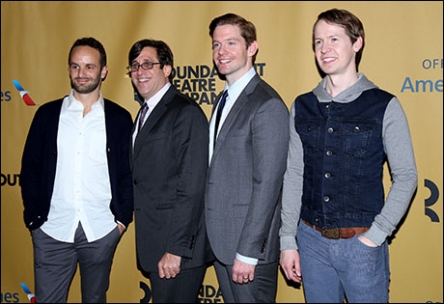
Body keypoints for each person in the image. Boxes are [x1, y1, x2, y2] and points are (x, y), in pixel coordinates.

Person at [279, 8, 418, 303]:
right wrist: (288, 239)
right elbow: (294, 175)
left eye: (333, 39)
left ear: (357, 43)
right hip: (311, 242)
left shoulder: (383, 105)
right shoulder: (302, 106)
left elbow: (406, 176)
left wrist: (376, 236)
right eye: (318, 42)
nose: (324, 49)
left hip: (362, 245)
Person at [19, 37, 134, 303]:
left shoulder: (119, 119)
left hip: (101, 230)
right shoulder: (47, 115)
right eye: (75, 66)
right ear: (69, 70)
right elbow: (30, 169)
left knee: (94, 299)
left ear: (103, 71)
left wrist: (121, 221)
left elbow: (128, 174)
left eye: (89, 67)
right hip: (52, 230)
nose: (82, 74)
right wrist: (35, 220)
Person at [205, 13, 290, 303]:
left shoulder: (266, 104)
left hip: (247, 250)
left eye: (231, 43)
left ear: (251, 48)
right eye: (216, 45)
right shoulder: (224, 99)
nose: (221, 52)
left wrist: (248, 251)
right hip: (222, 242)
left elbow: (268, 186)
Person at [128, 39, 213, 303]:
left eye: (148, 64)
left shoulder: (185, 112)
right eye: (134, 66)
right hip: (156, 242)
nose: (140, 71)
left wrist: (175, 249)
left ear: (167, 69)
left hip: (176, 250)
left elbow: (192, 186)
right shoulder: (144, 114)